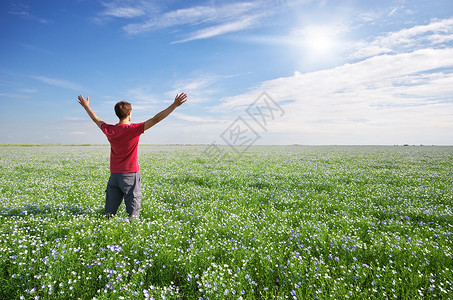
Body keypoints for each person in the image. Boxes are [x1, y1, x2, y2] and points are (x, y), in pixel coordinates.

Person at [77, 93, 188, 221]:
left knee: (109, 210)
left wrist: (86, 107)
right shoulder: (134, 129)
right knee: (133, 207)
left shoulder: (110, 130)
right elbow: (156, 119)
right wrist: (174, 105)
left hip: (114, 175)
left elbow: (96, 119)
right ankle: (133, 229)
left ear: (117, 114)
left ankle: (105, 225)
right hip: (130, 174)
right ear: (129, 114)